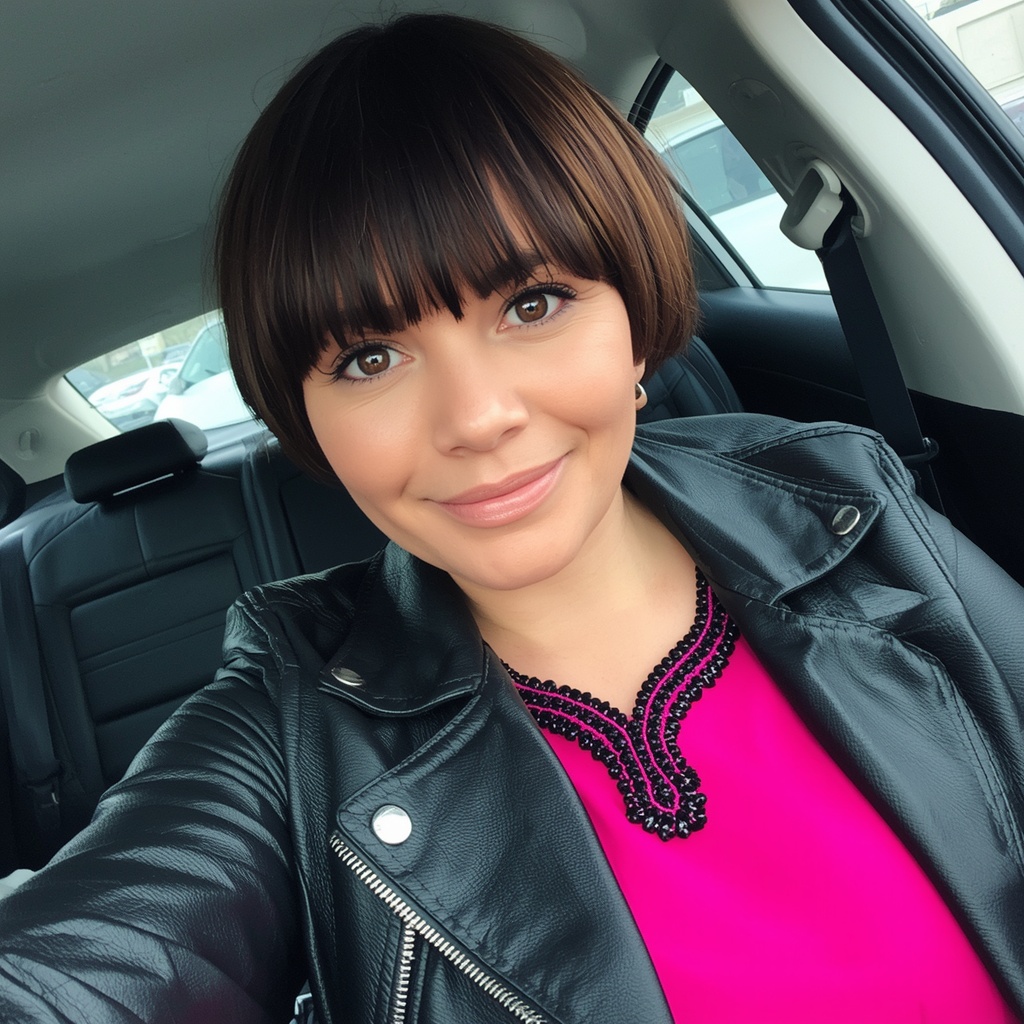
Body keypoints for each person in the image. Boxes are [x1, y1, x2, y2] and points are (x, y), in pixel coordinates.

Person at [1, 12, 1024, 1024]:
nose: (477, 418)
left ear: (633, 319)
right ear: (306, 419)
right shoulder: (288, 716)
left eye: (532, 304)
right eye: (369, 358)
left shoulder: (838, 499)